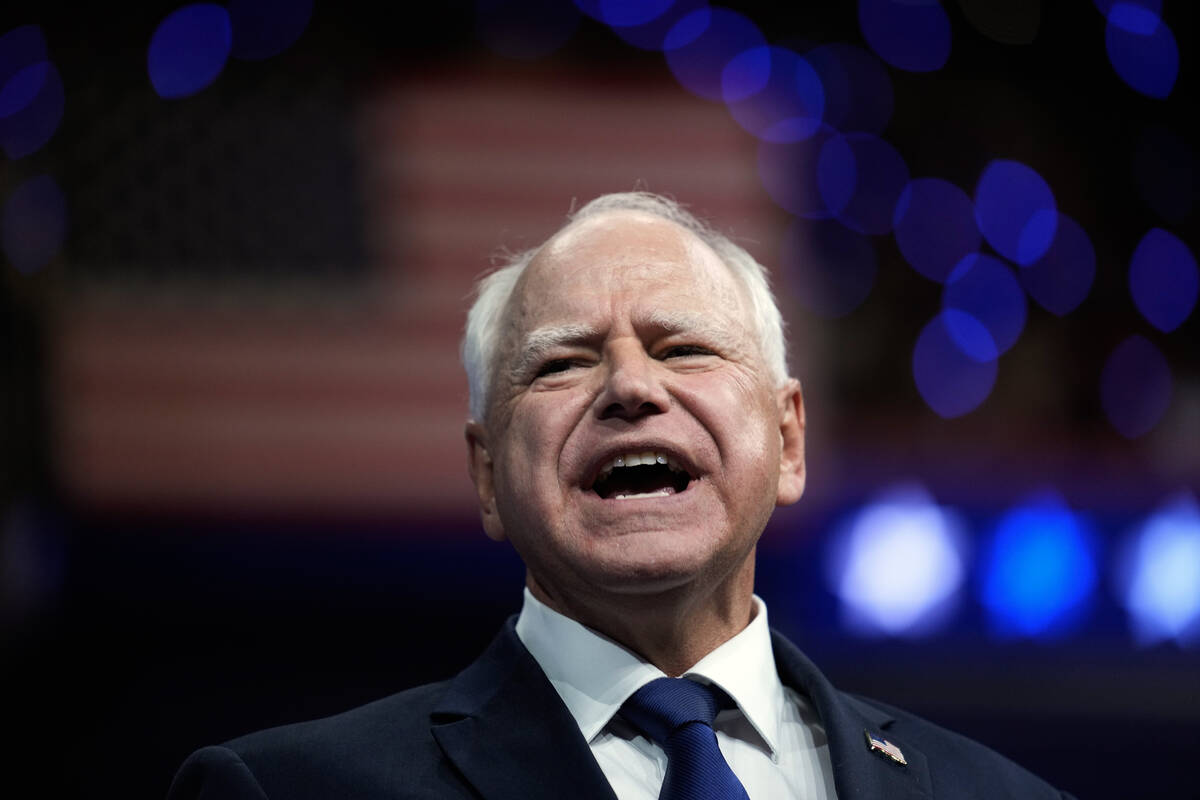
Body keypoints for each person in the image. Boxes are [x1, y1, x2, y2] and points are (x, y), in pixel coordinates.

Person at [168, 192, 1076, 799]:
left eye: (683, 348)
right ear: (487, 475)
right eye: (562, 362)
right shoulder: (285, 792)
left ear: (790, 438)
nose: (631, 388)